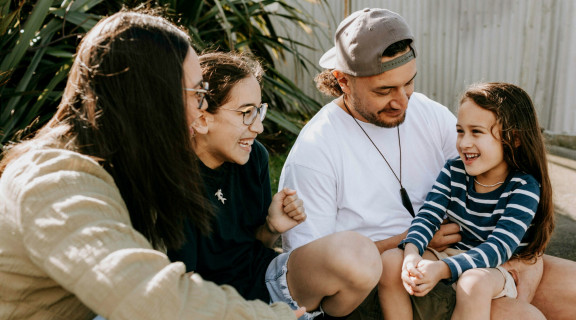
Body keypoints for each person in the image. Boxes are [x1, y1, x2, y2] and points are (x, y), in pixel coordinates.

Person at [0, 10, 301, 320]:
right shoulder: (56, 181)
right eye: (197, 94)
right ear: (151, 96)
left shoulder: (127, 166)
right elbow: (146, 296)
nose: (201, 111)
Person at [279, 7, 576, 320]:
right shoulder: (314, 153)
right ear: (343, 81)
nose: (403, 101)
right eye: (384, 90)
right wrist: (410, 244)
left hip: (472, 253)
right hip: (391, 280)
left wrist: (524, 252)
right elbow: (312, 272)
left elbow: (490, 164)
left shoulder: (425, 111)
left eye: (409, 83)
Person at [167, 51, 382, 320]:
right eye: (246, 113)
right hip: (211, 307)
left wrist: (271, 227)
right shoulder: (174, 179)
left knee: (360, 254)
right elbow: (182, 290)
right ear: (201, 118)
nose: (258, 127)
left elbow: (258, 245)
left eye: (259, 111)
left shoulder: (254, 156)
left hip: (265, 279)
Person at [378, 82, 554, 320]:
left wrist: (442, 269)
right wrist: (412, 253)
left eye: (476, 132)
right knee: (391, 262)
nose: (463, 143)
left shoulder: (523, 187)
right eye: (460, 131)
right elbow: (428, 215)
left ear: (513, 139)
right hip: (452, 253)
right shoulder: (454, 171)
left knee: (473, 283)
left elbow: (499, 248)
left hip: (494, 267)